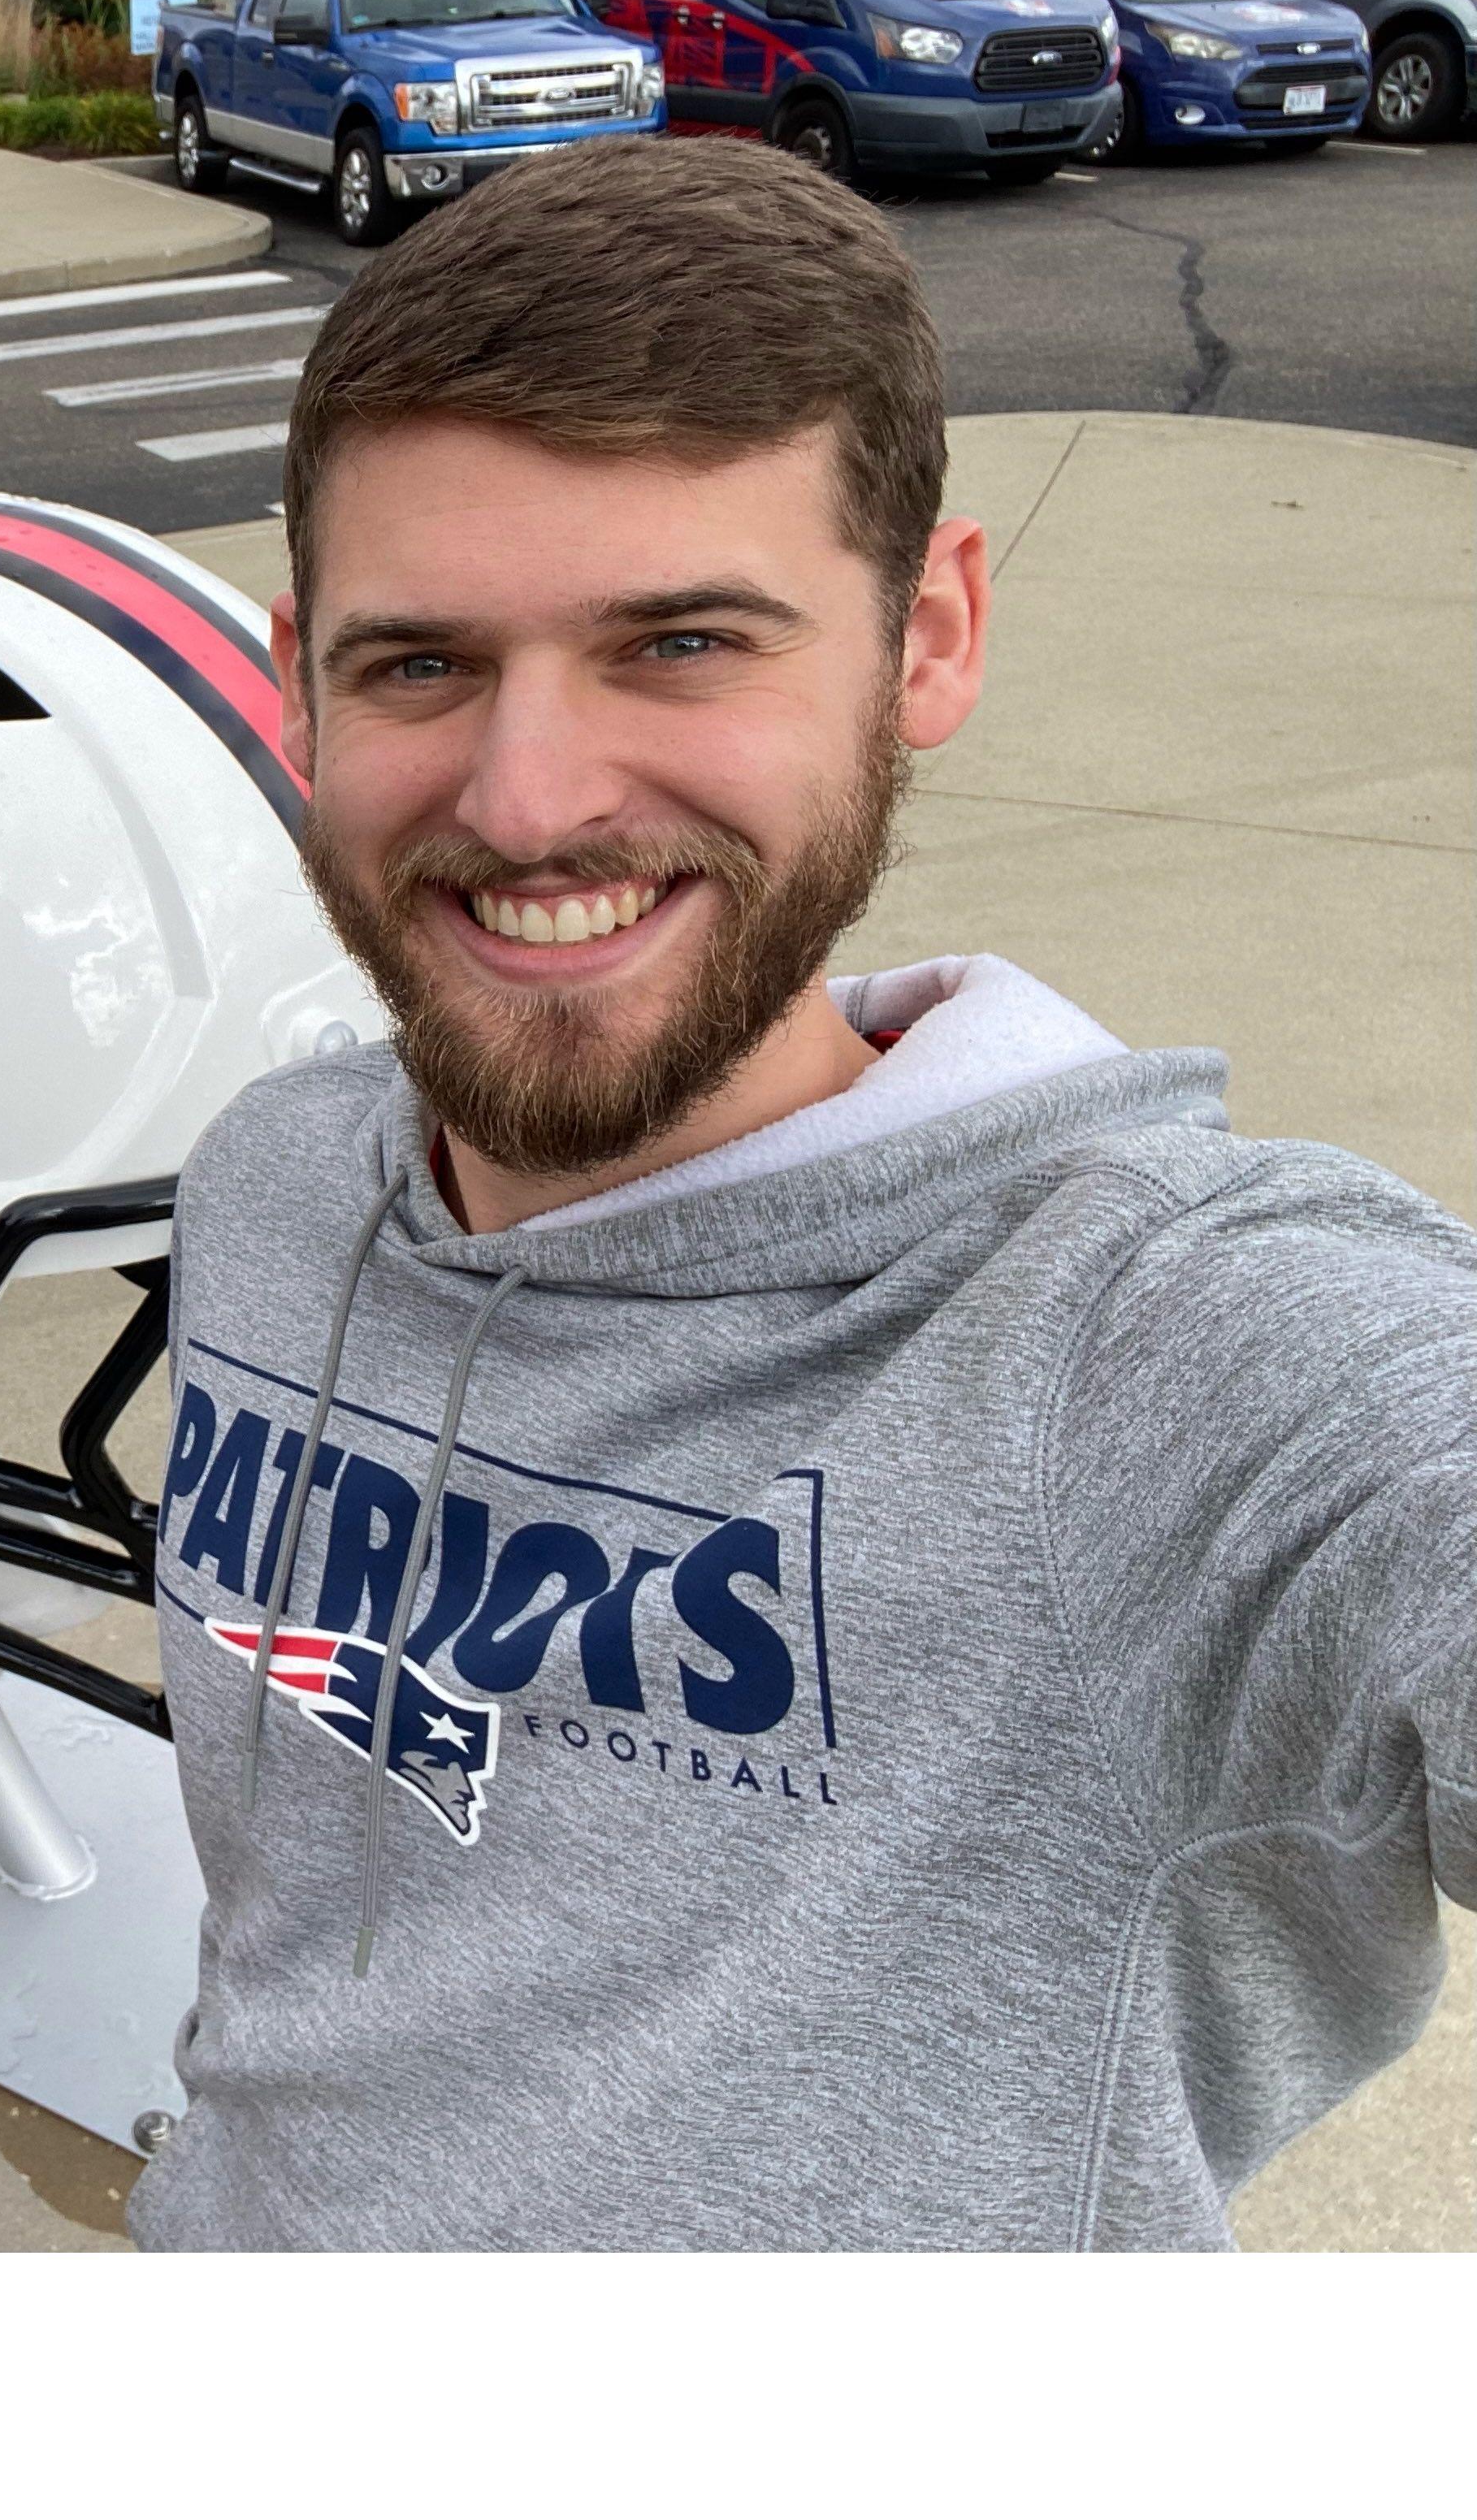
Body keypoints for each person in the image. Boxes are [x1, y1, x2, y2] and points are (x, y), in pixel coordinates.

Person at [129, 135, 1474, 2254]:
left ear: (925, 636)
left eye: (679, 643)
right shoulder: (278, 1186)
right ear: (301, 678)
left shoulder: (1192, 1355)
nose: (528, 795)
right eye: (420, 666)